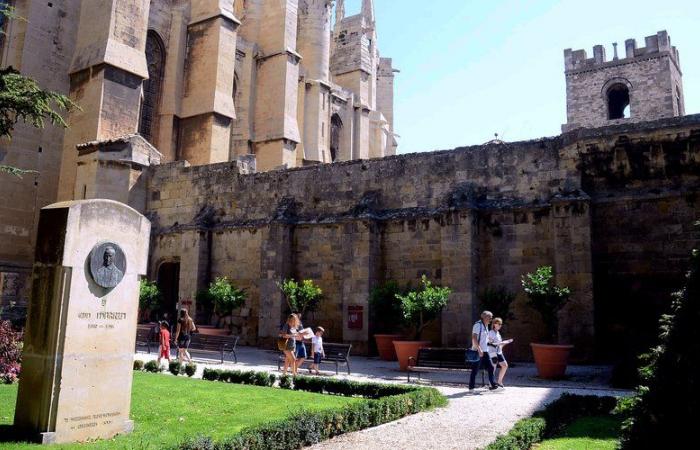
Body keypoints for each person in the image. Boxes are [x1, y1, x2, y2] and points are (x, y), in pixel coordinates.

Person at [469, 311, 499, 391]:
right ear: (485, 317)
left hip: (485, 351)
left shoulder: (485, 326)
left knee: (491, 367)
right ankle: (471, 388)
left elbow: (484, 339)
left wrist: (491, 342)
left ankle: (493, 385)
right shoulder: (478, 325)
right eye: (490, 317)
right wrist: (479, 349)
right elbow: (474, 338)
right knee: (475, 370)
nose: (491, 319)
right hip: (478, 351)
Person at [488, 317, 514, 387]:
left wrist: (505, 343)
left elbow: (499, 344)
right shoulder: (491, 333)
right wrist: (501, 343)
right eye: (498, 324)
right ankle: (491, 384)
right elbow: (489, 344)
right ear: (494, 324)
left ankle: (499, 382)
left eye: (501, 324)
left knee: (505, 365)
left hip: (499, 352)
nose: (500, 325)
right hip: (492, 352)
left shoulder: (498, 333)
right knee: (493, 367)